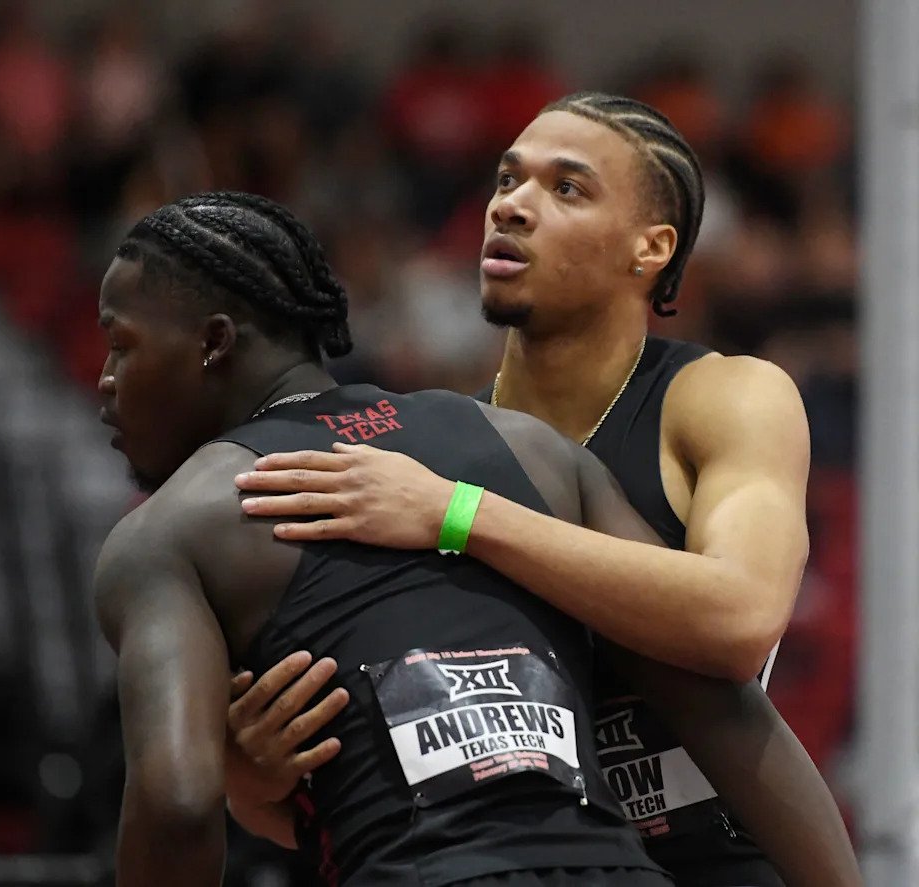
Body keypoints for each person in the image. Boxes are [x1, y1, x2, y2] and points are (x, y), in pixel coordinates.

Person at [93, 191, 854, 887]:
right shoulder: (532, 448)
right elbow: (725, 710)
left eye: (121, 346)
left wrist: (234, 776)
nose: (105, 379)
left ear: (213, 342)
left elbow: (179, 804)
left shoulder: (166, 534)